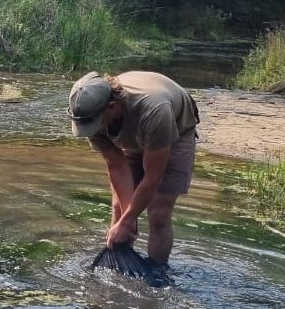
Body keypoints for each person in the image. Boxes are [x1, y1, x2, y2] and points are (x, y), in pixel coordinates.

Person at [68, 71, 199, 281]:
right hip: (133, 132)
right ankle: (118, 271)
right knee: (120, 209)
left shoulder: (154, 111)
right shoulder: (88, 113)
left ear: (112, 106)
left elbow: (153, 176)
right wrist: (127, 218)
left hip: (173, 131)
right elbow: (116, 163)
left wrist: (129, 221)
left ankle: (157, 273)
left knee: (158, 213)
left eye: (96, 124)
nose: (92, 130)